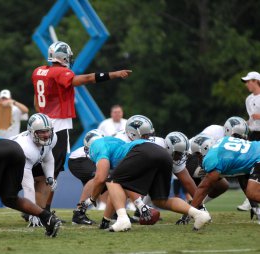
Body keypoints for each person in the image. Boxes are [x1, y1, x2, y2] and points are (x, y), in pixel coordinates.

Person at [32, 41, 132, 212]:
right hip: (58, 127)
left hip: (40, 124)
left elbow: (36, 99)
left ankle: (35, 209)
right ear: (63, 57)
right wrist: (113, 74)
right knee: (52, 173)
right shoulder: (61, 72)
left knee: (39, 173)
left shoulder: (39, 72)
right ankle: (44, 211)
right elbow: (86, 78)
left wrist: (43, 115)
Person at [82, 129, 211, 232]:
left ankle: (122, 220)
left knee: (112, 181)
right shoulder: (115, 144)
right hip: (162, 155)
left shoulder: (97, 146)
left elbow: (100, 179)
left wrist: (93, 198)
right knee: (160, 200)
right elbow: (119, 191)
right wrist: (105, 220)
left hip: (143, 151)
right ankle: (198, 214)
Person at [190, 134, 260, 224]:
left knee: (252, 193)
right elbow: (242, 174)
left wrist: (190, 212)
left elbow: (204, 187)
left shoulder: (211, 158)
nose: (199, 159)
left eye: (198, 155)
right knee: (251, 191)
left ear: (203, 150)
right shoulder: (223, 141)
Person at [238, 71, 260, 211]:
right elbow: (251, 120)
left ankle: (251, 199)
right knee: (245, 166)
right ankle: (250, 199)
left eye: (249, 81)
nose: (247, 84)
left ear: (256, 81)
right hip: (253, 136)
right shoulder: (248, 99)